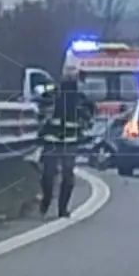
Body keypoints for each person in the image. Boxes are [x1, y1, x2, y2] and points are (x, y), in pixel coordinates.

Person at [36, 66, 95, 216]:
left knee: (67, 176)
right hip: (52, 141)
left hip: (69, 142)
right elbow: (41, 110)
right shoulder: (53, 96)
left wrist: (84, 116)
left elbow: (90, 119)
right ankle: (47, 199)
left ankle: (62, 209)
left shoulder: (80, 100)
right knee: (49, 175)